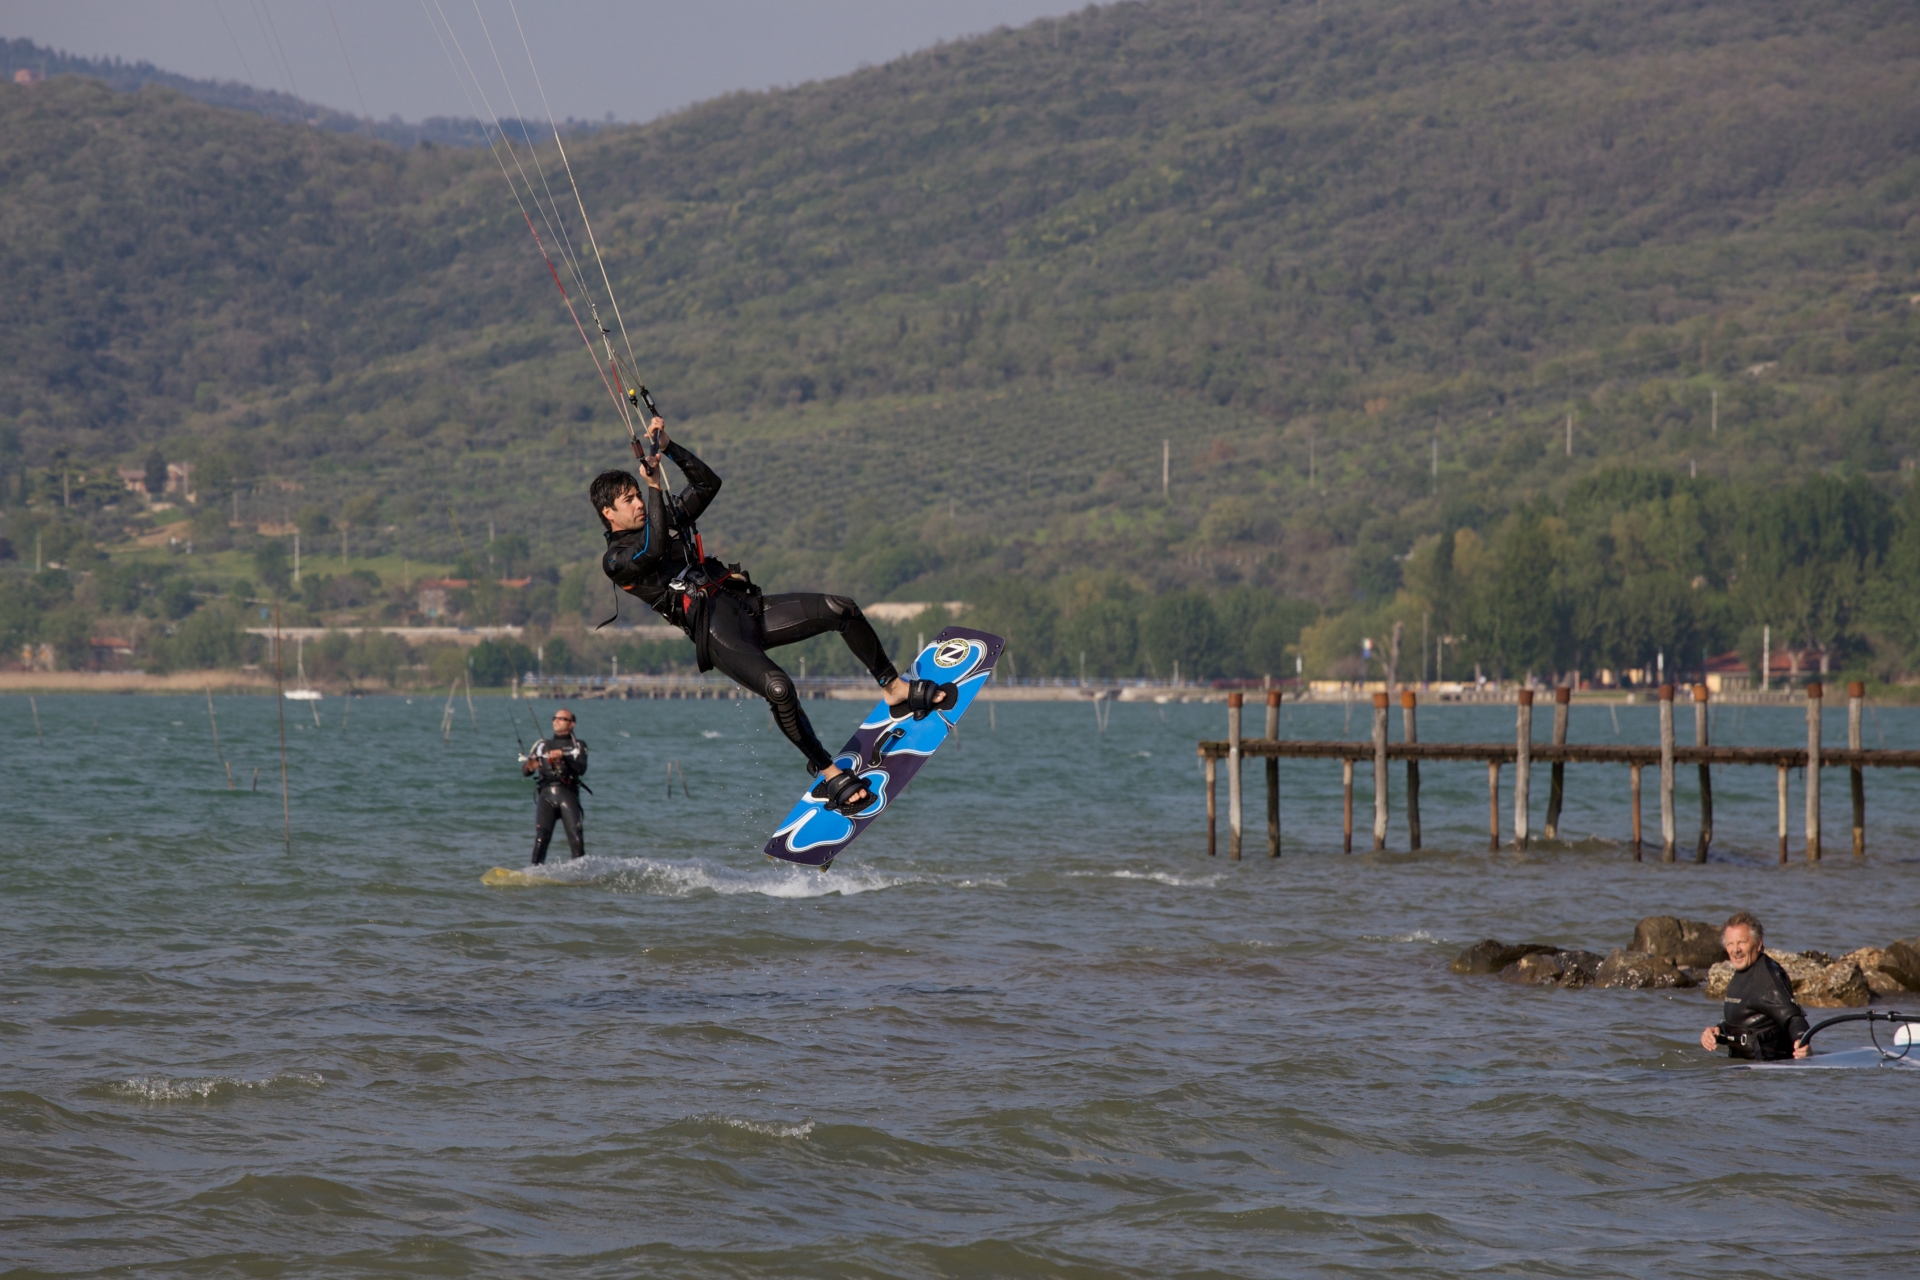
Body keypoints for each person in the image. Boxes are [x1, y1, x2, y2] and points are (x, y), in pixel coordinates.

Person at [592, 416, 955, 815]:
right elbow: (655, 548)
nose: (640, 502)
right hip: (716, 634)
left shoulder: (663, 515)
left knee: (842, 608)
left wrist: (670, 446)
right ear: (609, 513)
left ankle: (893, 687)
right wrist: (655, 484)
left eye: (638, 495)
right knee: (779, 689)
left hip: (747, 607)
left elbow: (707, 485)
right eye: (629, 500)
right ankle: (828, 771)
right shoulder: (616, 560)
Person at [1700, 910, 1810, 1060]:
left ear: (1758, 944)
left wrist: (1801, 1042)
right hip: (1744, 1070)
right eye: (1730, 944)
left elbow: (1793, 1017)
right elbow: (1747, 1021)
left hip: (1767, 1070)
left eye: (1742, 943)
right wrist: (1718, 1031)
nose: (1735, 950)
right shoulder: (1742, 972)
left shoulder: (1768, 976)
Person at [524, 707, 589, 864]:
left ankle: (581, 872)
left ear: (571, 724)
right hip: (546, 795)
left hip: (567, 793)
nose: (556, 721)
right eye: (555, 718)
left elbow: (581, 769)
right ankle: (534, 871)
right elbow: (526, 772)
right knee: (541, 837)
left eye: (561, 718)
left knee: (576, 836)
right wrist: (530, 766)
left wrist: (564, 758)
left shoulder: (578, 745)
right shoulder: (541, 744)